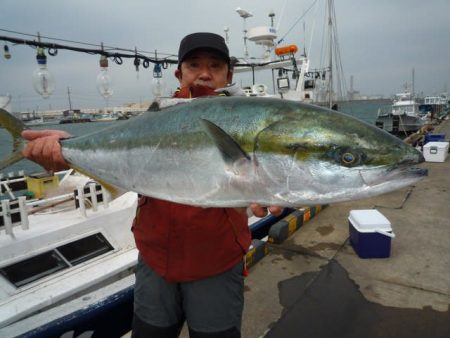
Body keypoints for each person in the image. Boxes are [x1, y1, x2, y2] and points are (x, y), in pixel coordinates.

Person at [22, 32, 282, 338]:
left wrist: (271, 183)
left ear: (228, 75)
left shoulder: (246, 120)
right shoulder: (155, 115)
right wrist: (68, 150)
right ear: (179, 73)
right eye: (194, 65)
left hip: (217, 261)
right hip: (155, 260)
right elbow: (120, 152)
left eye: (215, 66)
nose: (204, 73)